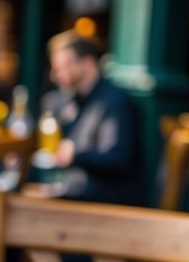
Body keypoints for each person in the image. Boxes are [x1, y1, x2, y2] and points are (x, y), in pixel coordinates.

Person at [44, 31, 144, 205]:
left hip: (107, 201)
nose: (57, 73)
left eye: (65, 65)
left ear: (88, 63)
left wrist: (74, 155)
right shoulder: (69, 101)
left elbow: (116, 159)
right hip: (78, 193)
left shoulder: (114, 101)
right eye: (56, 67)